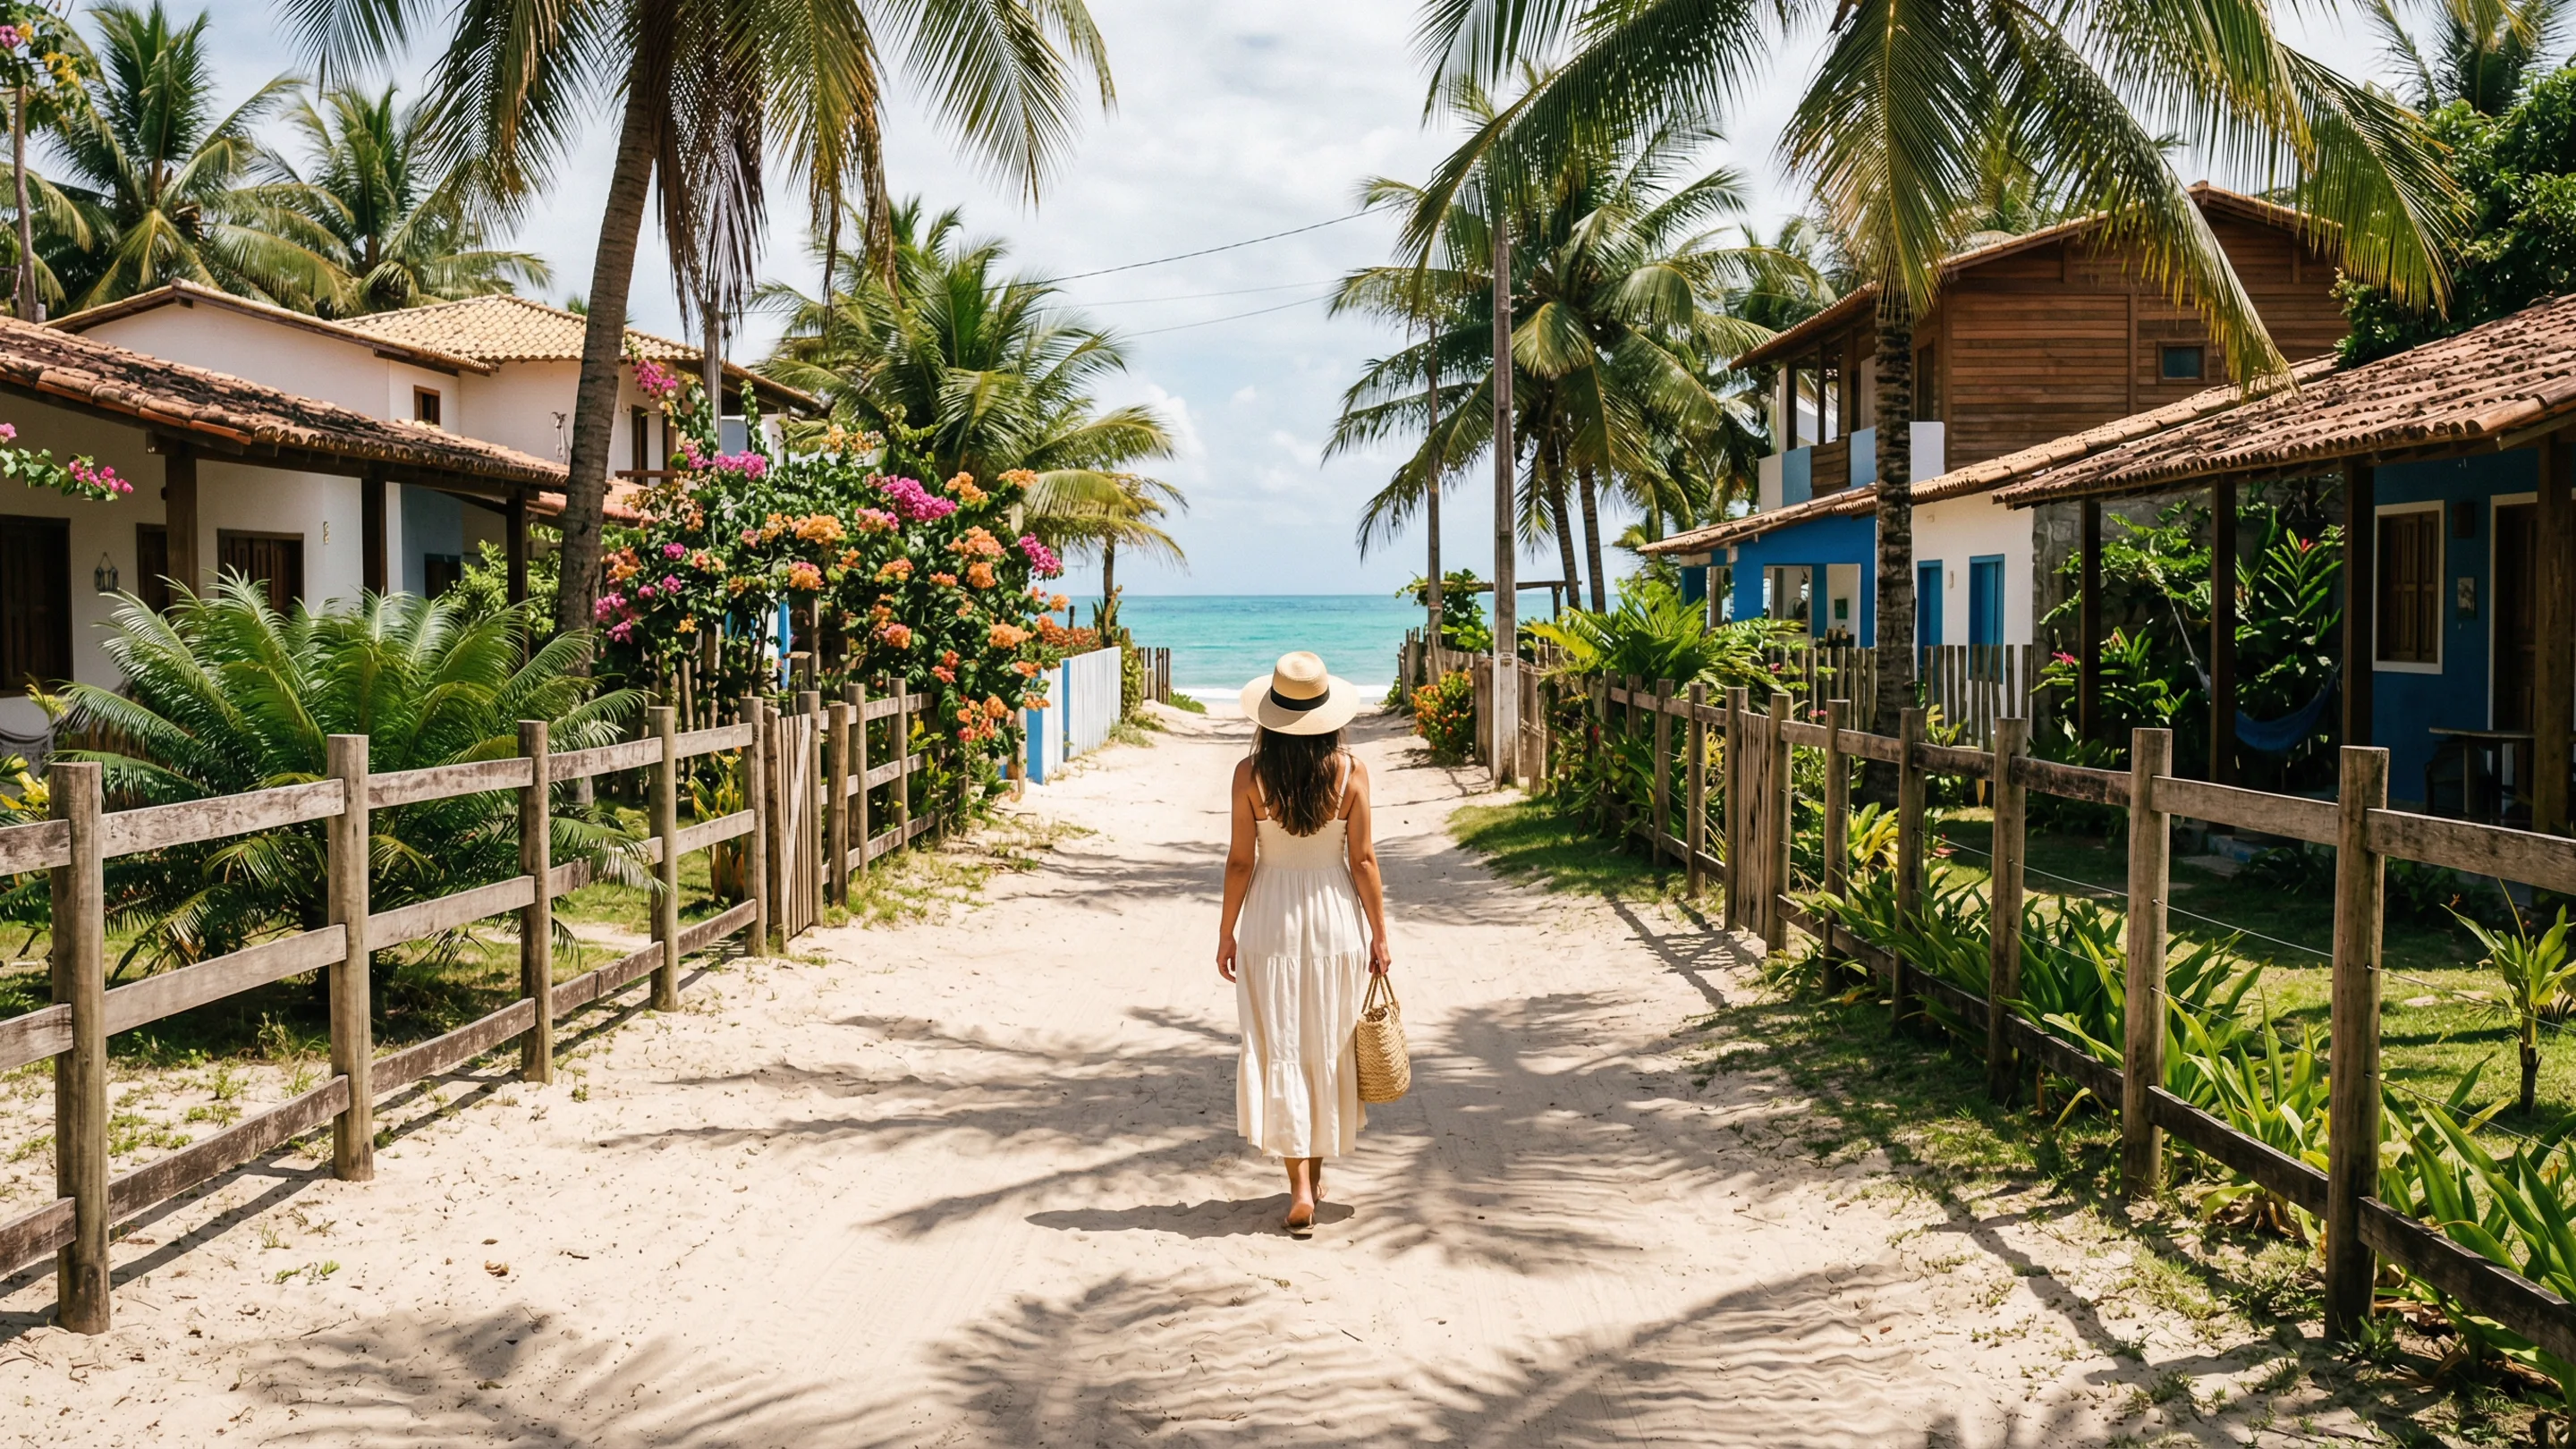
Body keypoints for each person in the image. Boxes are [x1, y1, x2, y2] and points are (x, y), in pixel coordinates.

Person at [1216, 651, 1391, 1237]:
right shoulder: (1351, 772)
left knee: (1283, 1044)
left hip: (1270, 918)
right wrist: (1380, 935)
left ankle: (1298, 1187)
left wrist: (1226, 933)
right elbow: (1363, 860)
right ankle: (1311, 1182)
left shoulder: (1249, 774)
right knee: (1325, 1042)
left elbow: (1242, 861)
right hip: (1333, 917)